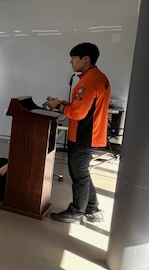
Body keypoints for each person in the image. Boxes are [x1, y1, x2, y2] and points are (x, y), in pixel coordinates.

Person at [46, 42, 111, 224]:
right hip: (91, 134)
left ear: (86, 59)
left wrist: (57, 106)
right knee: (83, 173)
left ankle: (76, 212)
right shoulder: (98, 77)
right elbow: (83, 107)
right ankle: (92, 209)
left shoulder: (88, 82)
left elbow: (77, 114)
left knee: (79, 175)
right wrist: (63, 103)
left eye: (74, 58)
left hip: (84, 136)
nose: (71, 62)